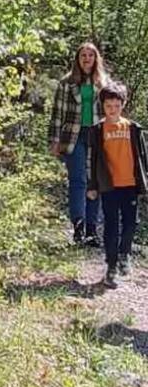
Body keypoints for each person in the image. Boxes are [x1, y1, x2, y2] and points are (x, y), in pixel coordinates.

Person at [87, 82, 148, 289]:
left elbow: (142, 157)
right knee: (111, 224)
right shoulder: (98, 130)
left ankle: (124, 254)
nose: (112, 110)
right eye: (108, 106)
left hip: (130, 184)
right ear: (102, 106)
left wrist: (144, 180)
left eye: (116, 106)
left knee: (131, 222)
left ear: (123, 104)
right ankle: (111, 266)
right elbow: (93, 159)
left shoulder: (133, 128)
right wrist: (92, 185)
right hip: (109, 186)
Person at [48, 42, 108, 245]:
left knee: (95, 181)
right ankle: (78, 226)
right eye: (83, 55)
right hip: (73, 136)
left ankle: (92, 229)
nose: (87, 58)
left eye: (91, 55)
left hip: (97, 135)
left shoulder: (103, 83)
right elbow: (57, 113)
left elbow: (111, 111)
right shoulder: (67, 83)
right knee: (78, 180)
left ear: (96, 59)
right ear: (78, 59)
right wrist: (54, 140)